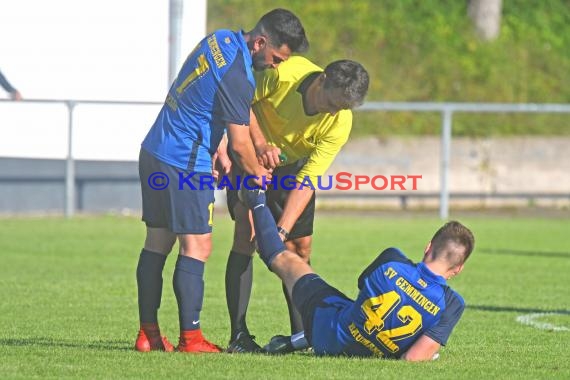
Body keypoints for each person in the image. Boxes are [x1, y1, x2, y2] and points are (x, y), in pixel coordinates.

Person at [134, 8, 308, 353]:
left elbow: (208, 102)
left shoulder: (221, 39)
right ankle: (191, 338)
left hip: (155, 150)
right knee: (197, 247)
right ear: (260, 42)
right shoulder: (240, 76)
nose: (275, 65)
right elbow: (242, 145)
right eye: (275, 57)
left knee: (157, 242)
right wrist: (259, 175)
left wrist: (225, 147)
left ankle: (148, 334)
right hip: (184, 163)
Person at [223, 56, 370, 352]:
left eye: (343, 107)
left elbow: (308, 179)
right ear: (323, 78)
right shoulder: (284, 74)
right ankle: (239, 335)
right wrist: (261, 144)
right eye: (334, 102)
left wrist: (281, 231)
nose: (335, 111)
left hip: (293, 169)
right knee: (247, 234)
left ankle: (303, 336)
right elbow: (241, 103)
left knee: (298, 247)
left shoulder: (340, 121)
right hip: (250, 151)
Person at [239, 187, 475, 361]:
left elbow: (362, 284)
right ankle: (294, 340)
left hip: (330, 334)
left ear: (428, 247)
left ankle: (254, 195)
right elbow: (413, 359)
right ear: (458, 269)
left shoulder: (392, 260)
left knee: (286, 260)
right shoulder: (453, 304)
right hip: (367, 345)